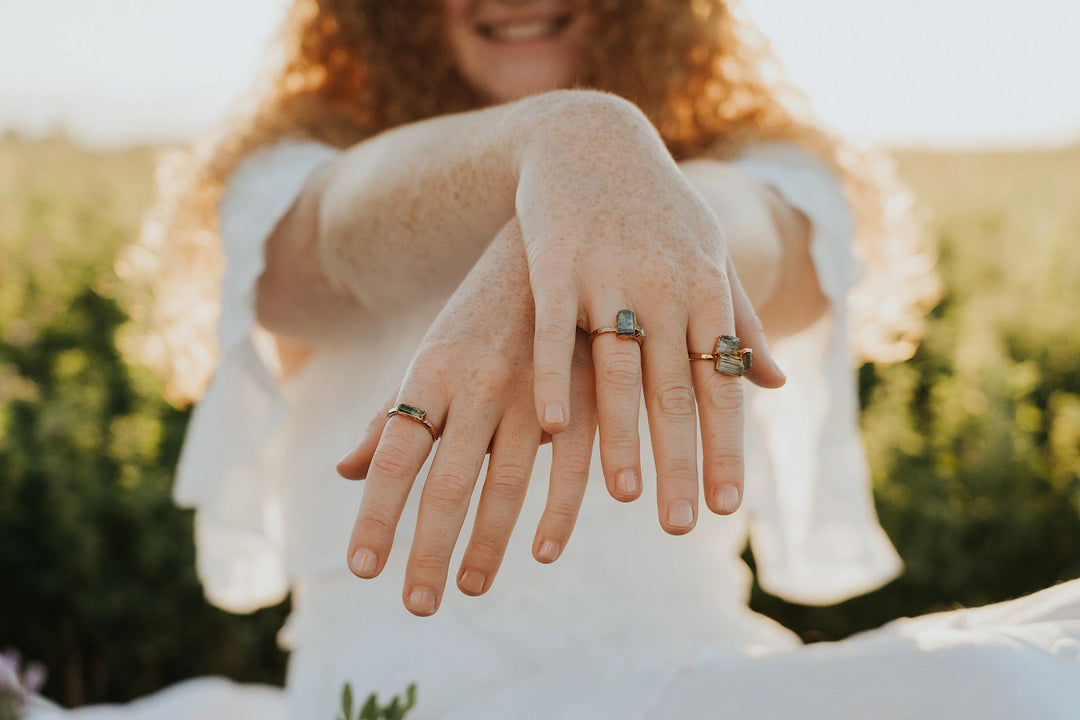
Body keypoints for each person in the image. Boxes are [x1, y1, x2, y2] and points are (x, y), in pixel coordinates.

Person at [36, 1, 1080, 718]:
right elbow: (346, 230)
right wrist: (572, 142)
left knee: (996, 690)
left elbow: (755, 235)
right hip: (393, 707)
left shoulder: (771, 177)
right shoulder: (287, 182)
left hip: (693, 690)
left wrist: (632, 209)